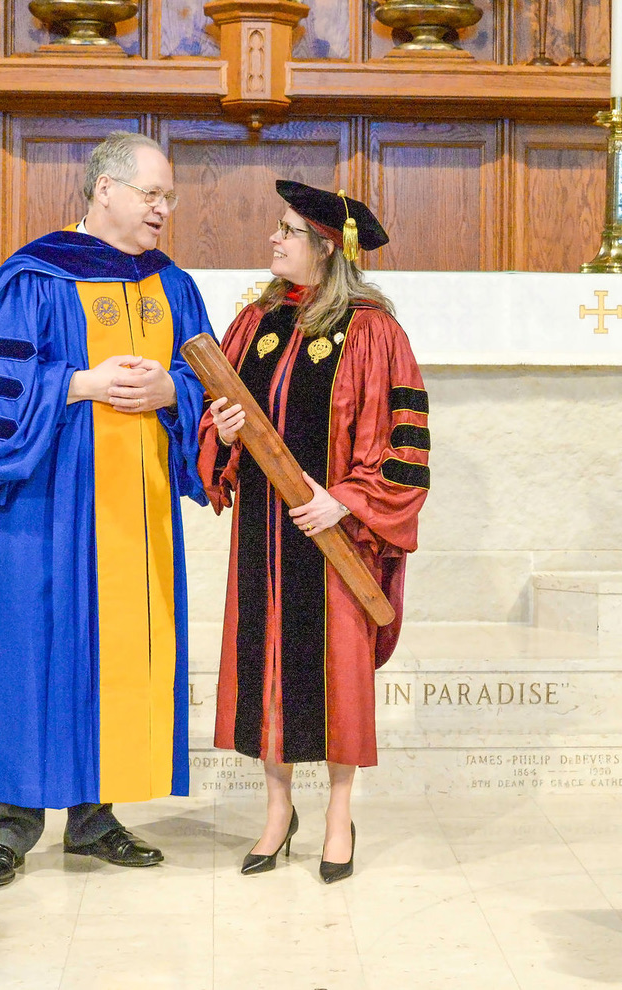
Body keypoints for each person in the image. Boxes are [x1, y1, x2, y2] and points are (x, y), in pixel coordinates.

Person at [0, 131, 213, 889]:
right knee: (36, 651)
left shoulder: (173, 286)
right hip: (52, 504)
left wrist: (172, 391)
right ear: (105, 188)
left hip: (140, 512)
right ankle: (7, 827)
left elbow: (208, 381)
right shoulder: (35, 277)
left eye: (169, 197)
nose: (163, 209)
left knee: (125, 654)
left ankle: (95, 817)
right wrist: (78, 383)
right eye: (151, 193)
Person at [198, 180, 429, 884]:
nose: (273, 238)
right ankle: (277, 813)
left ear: (328, 248)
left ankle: (337, 817)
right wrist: (222, 431)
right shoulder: (254, 323)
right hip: (264, 535)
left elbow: (403, 443)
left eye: (288, 230)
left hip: (334, 540)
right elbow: (214, 416)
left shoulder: (372, 331)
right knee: (267, 669)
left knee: (335, 680)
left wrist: (348, 502)